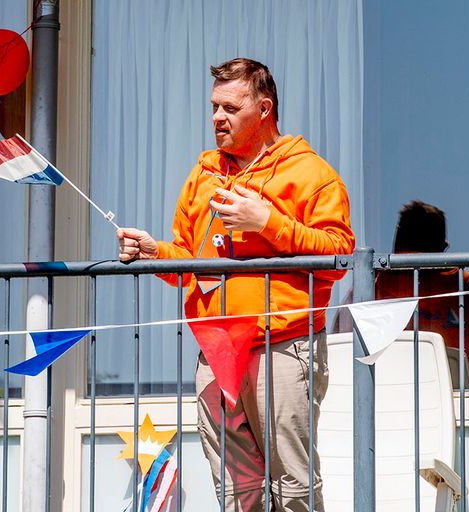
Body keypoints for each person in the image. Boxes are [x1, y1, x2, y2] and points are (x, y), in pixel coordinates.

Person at [117, 58, 355, 511]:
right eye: (213, 107)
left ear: (264, 109)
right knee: (233, 487)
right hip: (217, 349)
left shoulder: (310, 174)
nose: (217, 118)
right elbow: (188, 262)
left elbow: (339, 258)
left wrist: (267, 222)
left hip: (283, 346)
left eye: (230, 107)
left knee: (294, 486)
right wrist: (153, 253)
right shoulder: (203, 175)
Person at [332, 200, 469, 388]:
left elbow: (340, 353)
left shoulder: (366, 293)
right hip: (461, 409)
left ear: (397, 243)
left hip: (384, 408)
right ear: (443, 247)